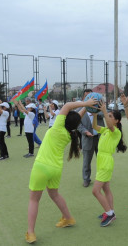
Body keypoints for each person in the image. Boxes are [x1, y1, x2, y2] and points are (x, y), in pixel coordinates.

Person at [25, 97, 97, 244]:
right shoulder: (70, 132)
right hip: (56, 169)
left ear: (63, 119)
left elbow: (69, 105)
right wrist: (88, 106)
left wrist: (85, 103)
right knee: (54, 194)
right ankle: (68, 218)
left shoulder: (58, 126)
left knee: (34, 200)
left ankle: (31, 233)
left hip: (42, 167)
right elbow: (76, 118)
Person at [92, 101, 127, 227]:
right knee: (106, 188)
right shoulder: (106, 129)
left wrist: (105, 111)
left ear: (117, 121)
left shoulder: (115, 131)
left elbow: (109, 124)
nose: (109, 118)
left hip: (106, 162)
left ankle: (110, 213)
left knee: (95, 191)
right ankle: (111, 210)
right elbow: (95, 127)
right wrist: (95, 114)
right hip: (101, 160)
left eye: (111, 116)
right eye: (109, 116)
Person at [77, 89, 105, 187]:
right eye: (87, 96)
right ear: (84, 98)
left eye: (91, 96)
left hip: (100, 138)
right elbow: (78, 125)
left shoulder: (100, 108)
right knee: (86, 161)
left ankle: (102, 178)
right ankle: (86, 179)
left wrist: (97, 112)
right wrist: (85, 131)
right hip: (87, 138)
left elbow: (105, 114)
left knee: (101, 160)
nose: (90, 99)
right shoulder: (79, 111)